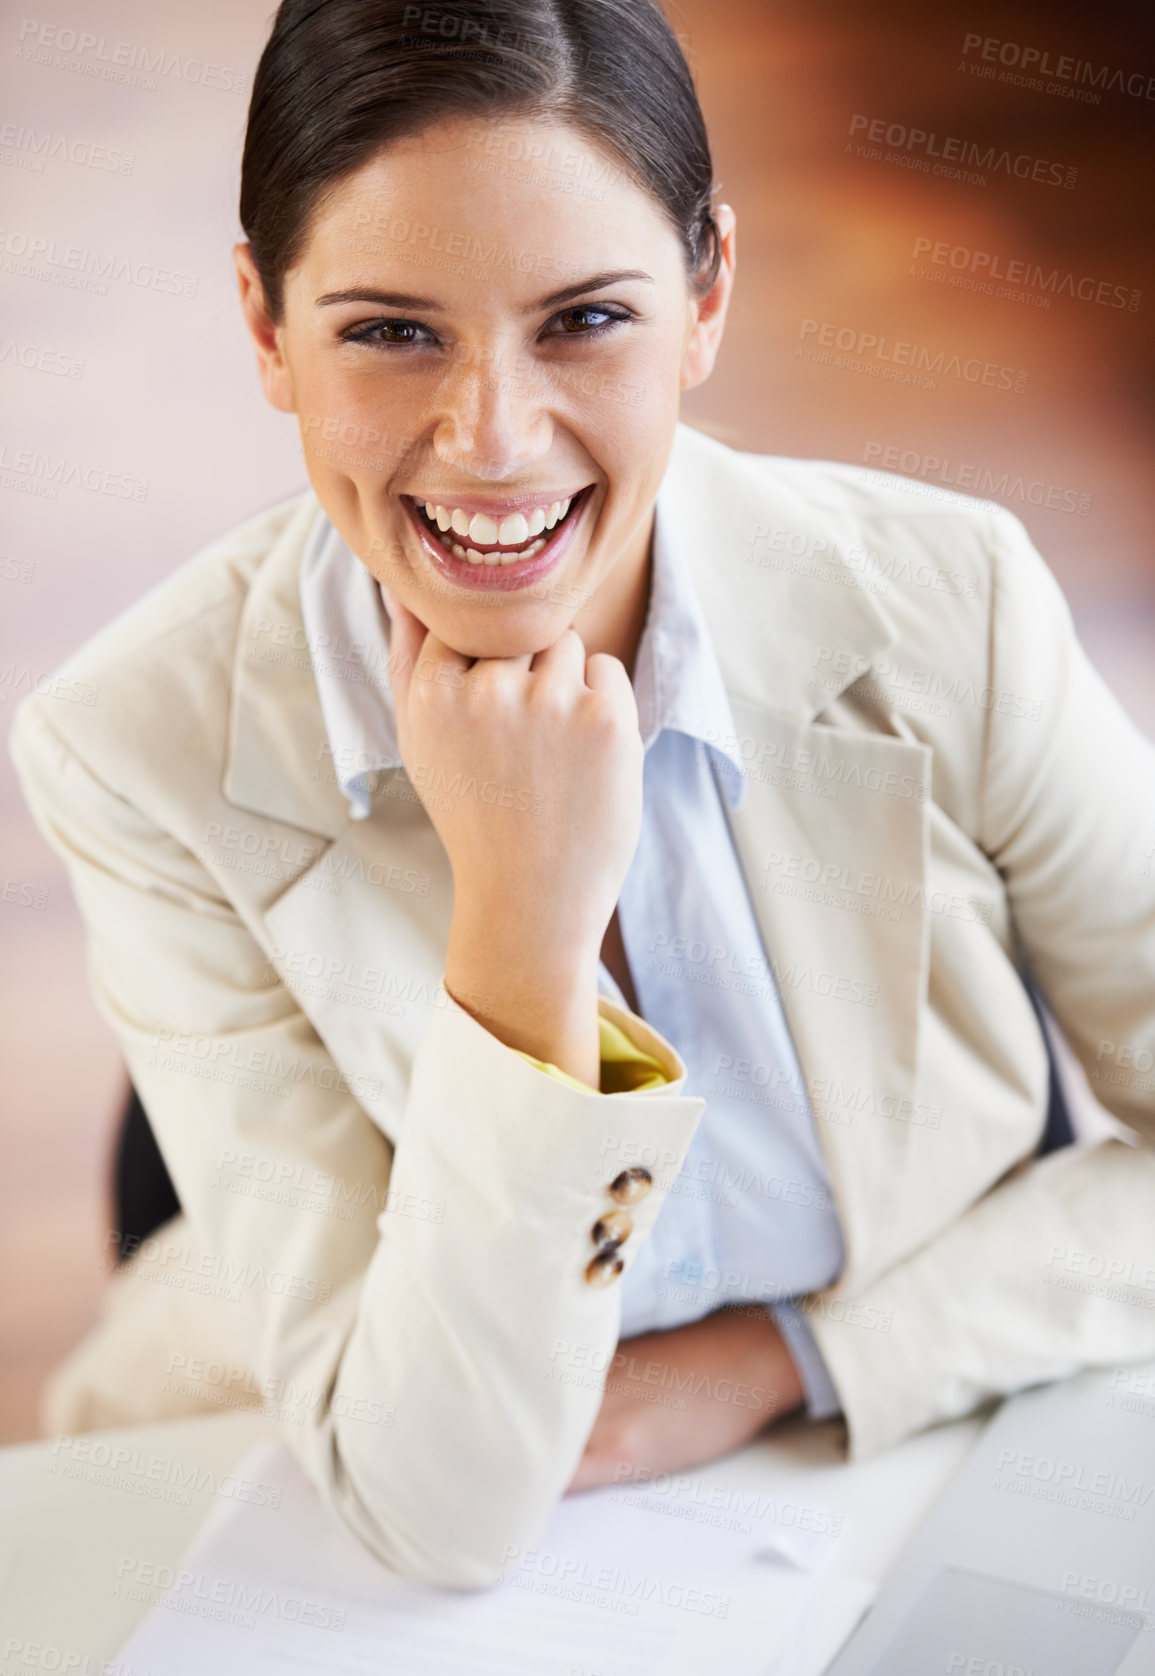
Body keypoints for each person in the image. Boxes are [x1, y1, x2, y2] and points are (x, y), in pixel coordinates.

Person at [10, 0, 1155, 1590]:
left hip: (887, 1434)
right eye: (391, 329)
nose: (492, 442)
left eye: (584, 322)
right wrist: (523, 932)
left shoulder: (951, 606)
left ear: (707, 298)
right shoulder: (128, 745)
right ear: (267, 330)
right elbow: (442, 1509)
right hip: (368, 1454)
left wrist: (784, 1359)